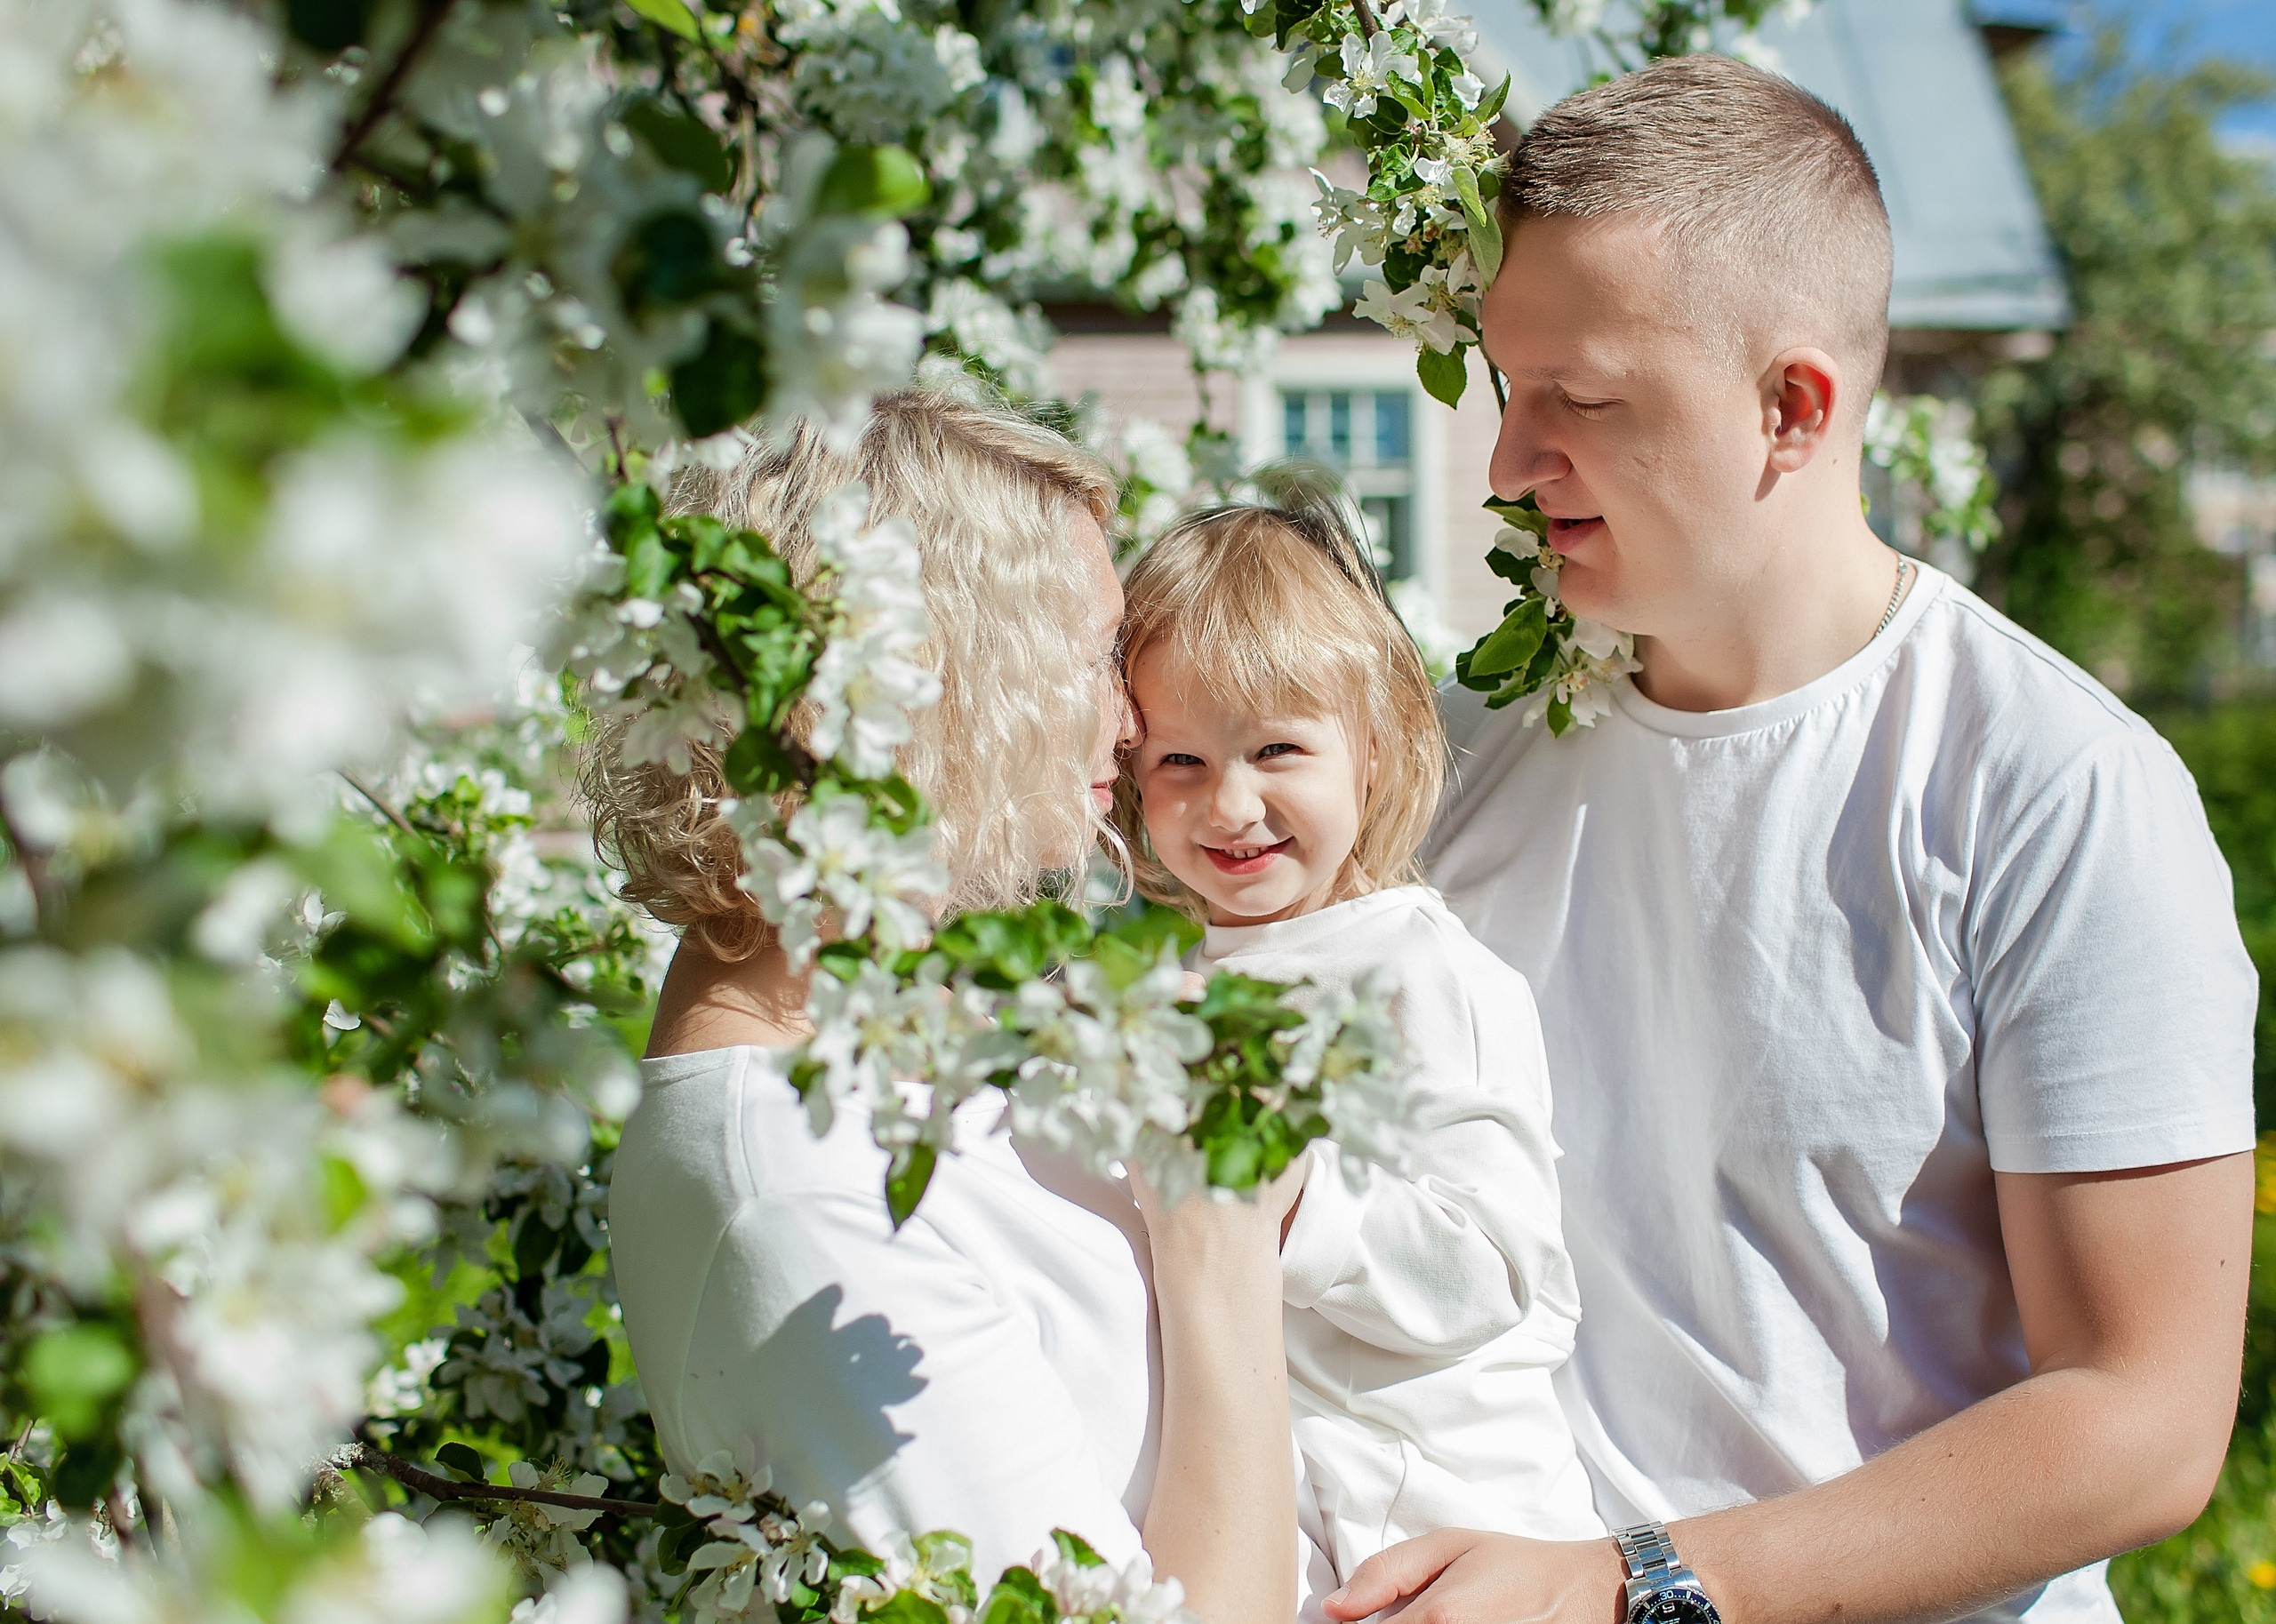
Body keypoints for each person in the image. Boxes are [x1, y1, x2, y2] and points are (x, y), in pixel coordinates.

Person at [1326, 54, 2258, 1624]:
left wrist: (1643, 1592)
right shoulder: (1448, 757)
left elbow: (2144, 1419)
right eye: (1508, 387)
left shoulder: (2054, 792)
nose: (1505, 461)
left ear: (1793, 406)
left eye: (1584, 400)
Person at [592, 392, 1298, 1621]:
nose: (1130, 727)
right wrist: (1222, 1252)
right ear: (917, 680)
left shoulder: (886, 1062)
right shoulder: (797, 1195)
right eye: (1088, 659)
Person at [1111, 502, 1605, 1614]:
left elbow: (1489, 1265)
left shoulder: (1424, 973)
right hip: (1299, 1532)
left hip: (1457, 1528)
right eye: (1179, 759)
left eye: (1277, 749)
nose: (1229, 804)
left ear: (1374, 751)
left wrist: (1291, 1203)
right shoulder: (1176, 982)